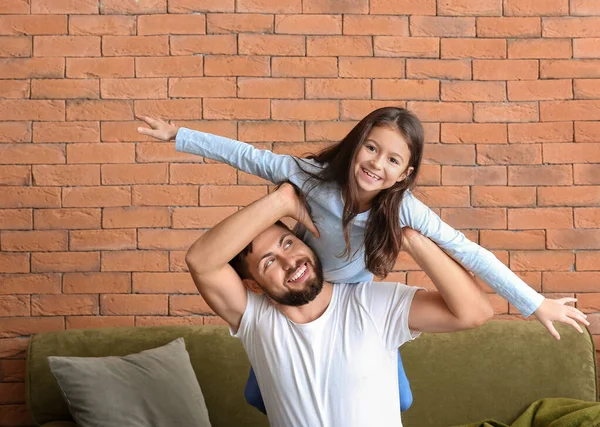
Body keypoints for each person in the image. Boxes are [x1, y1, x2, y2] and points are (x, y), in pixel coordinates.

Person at [137, 107, 589, 413]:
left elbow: (471, 253)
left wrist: (534, 304)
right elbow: (247, 157)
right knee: (264, 388)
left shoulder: (404, 211)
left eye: (394, 160)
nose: (377, 165)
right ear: (356, 145)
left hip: (354, 296)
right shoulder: (309, 179)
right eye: (371, 148)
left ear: (406, 173)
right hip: (299, 294)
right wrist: (180, 136)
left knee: (401, 397)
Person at [185, 182, 496, 426]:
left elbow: (476, 312)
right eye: (269, 263)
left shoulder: (373, 304)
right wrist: (283, 200)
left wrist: (410, 239)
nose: (290, 262)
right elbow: (200, 261)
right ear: (253, 285)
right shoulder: (254, 319)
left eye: (288, 243)